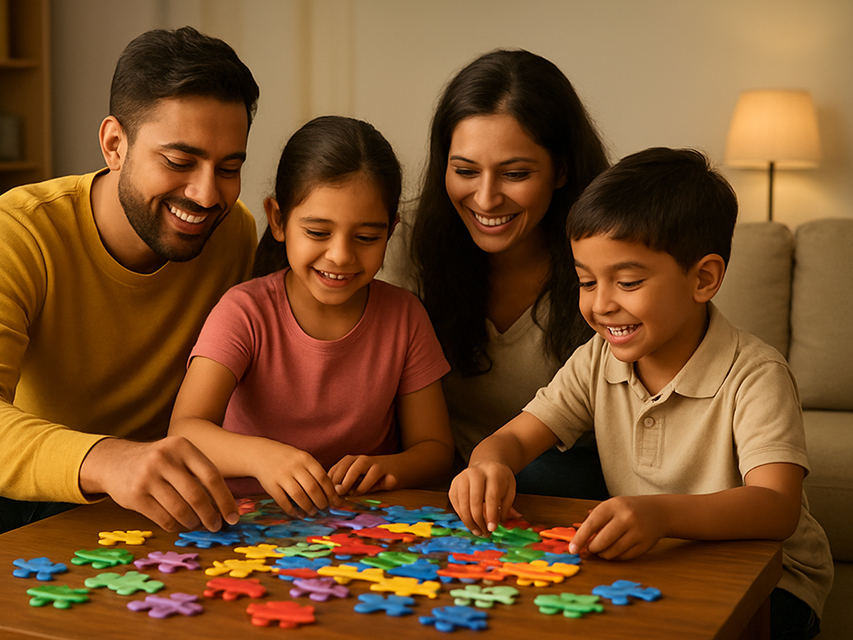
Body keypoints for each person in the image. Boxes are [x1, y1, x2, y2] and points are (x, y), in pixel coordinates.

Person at [449, 147, 833, 639]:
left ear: (704, 279)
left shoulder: (755, 374)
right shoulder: (597, 358)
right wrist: (487, 466)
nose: (601, 304)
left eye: (627, 282)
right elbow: (517, 439)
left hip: (774, 581)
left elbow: (775, 506)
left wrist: (660, 514)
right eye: (586, 281)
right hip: (663, 560)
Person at [0, 26, 260, 534]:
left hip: (176, 505)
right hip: (39, 497)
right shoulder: (21, 230)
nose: (207, 196)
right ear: (115, 144)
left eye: (228, 168)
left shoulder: (236, 233)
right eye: (179, 162)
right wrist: (111, 460)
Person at [168, 115, 455, 516]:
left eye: (367, 237)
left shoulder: (404, 317)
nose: (340, 255)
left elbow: (437, 449)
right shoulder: (244, 311)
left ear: (391, 230)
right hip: (243, 522)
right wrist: (262, 458)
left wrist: (390, 469)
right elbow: (185, 431)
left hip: (363, 525)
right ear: (278, 219)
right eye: (318, 233)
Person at [391, 49, 611, 499]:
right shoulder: (404, 243)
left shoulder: (611, 253)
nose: (486, 199)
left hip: (568, 483)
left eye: (514, 173)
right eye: (465, 171)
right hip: (442, 481)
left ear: (561, 169)